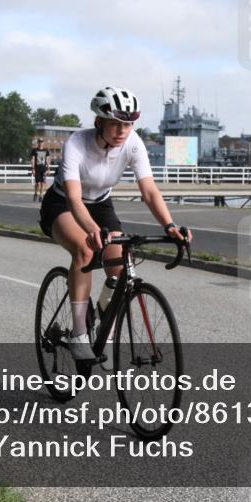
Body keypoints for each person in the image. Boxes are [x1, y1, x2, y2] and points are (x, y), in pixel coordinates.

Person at [38, 87, 192, 360]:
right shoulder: (77, 143)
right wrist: (92, 231)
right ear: (99, 122)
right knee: (85, 250)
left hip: (101, 204)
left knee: (120, 265)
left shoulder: (133, 143)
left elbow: (149, 192)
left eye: (128, 124)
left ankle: (103, 323)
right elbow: (74, 198)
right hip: (62, 203)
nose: (122, 130)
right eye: (115, 123)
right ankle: (78, 333)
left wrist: (170, 226)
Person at [29, 138, 51, 202]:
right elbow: (32, 159)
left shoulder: (46, 150)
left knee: (43, 183)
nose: (40, 143)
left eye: (41, 142)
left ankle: (41, 195)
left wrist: (48, 168)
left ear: (43, 143)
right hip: (37, 168)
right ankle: (36, 193)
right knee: (38, 183)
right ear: (38, 143)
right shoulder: (34, 150)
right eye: (39, 142)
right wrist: (33, 169)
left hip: (43, 169)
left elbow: (47, 160)